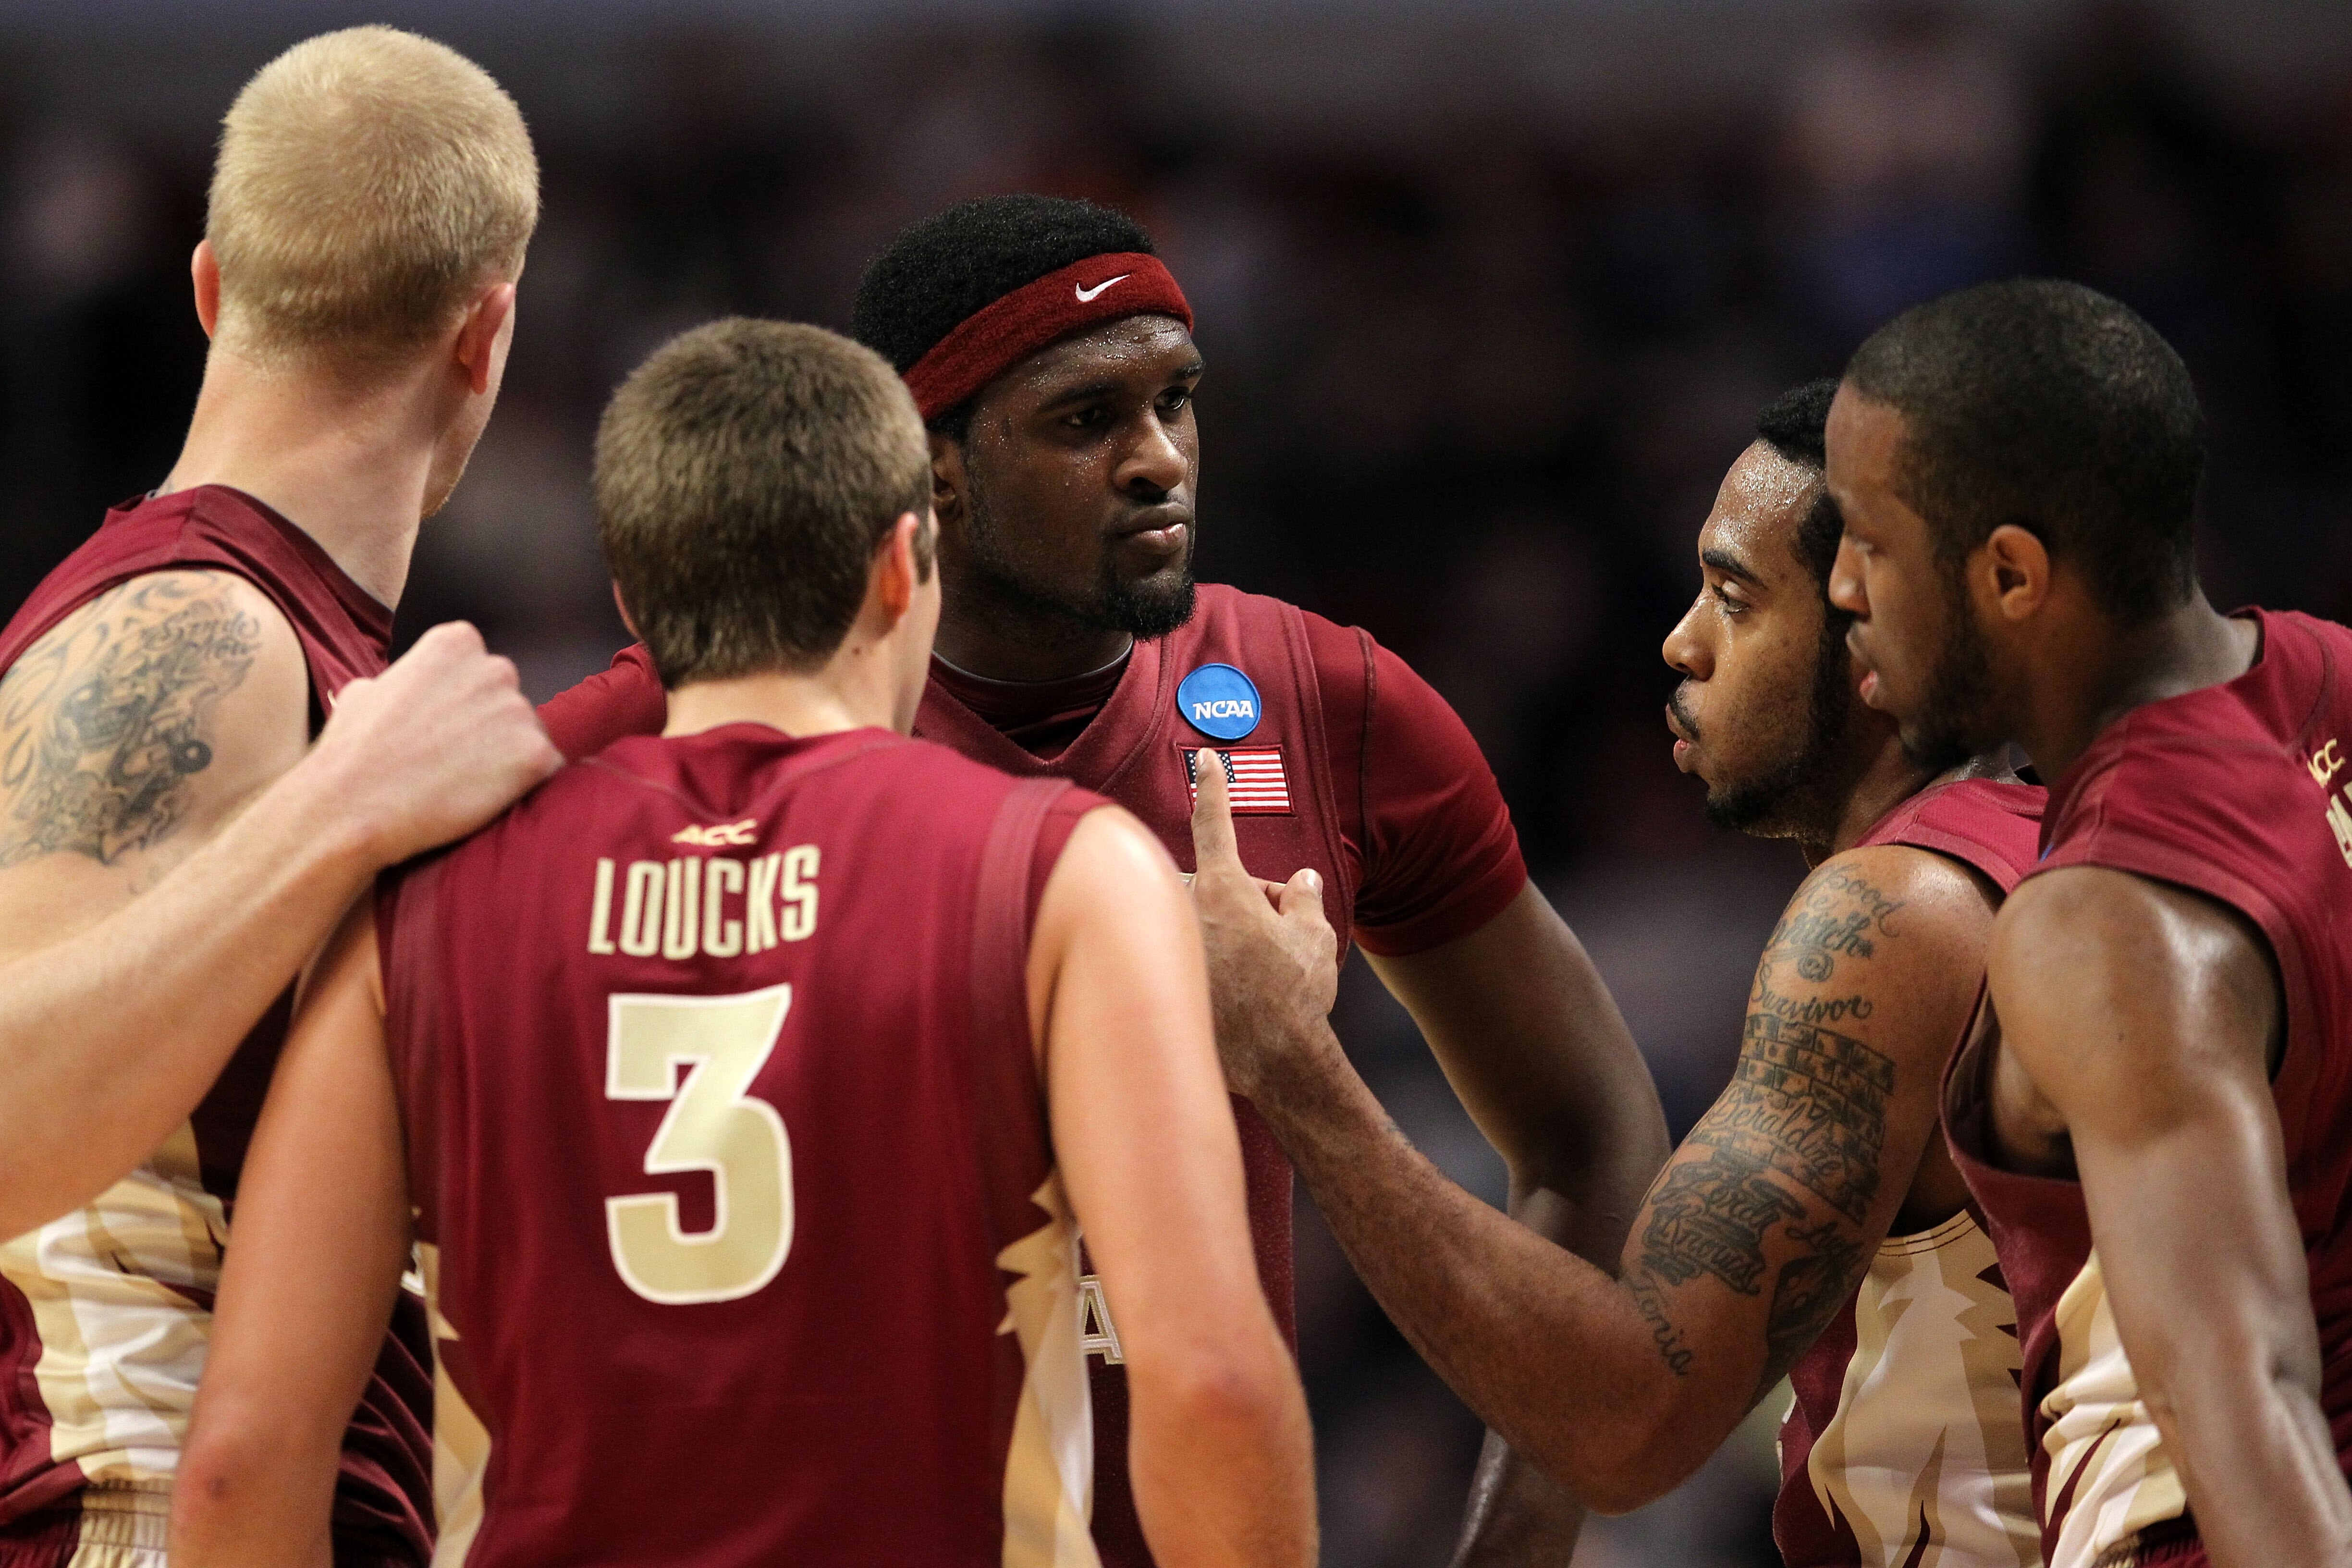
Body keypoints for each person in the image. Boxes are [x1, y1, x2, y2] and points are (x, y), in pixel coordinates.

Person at [539, 191, 1669, 1567]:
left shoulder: (1325, 699)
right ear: (932, 468)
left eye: (1177, 404)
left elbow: (1594, 1128)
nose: (1159, 462)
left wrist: (1516, 1542)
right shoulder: (707, 709)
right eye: (1087, 421)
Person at [170, 319, 1315, 1568]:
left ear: (634, 599)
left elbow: (240, 1464)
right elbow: (1215, 1393)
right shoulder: (1072, 871)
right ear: (902, 567)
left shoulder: (413, 906)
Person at [1186, 380, 2047, 1565]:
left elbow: (1629, 1424)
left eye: (1735, 599)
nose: (1681, 640)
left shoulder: (1899, 914)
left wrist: (1291, 1061)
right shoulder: (2049, 860)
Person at [0, 28, 554, 1567]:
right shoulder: (197, 627)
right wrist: (339, 813)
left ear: (209, 288)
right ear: (486, 333)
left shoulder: (288, 646)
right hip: (128, 1520)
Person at [1824, 278, 2352, 1568]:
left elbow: (2251, 1398)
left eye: (1868, 540)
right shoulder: (2337, 674)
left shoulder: (2105, 923)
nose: (1840, 586)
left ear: (2010, 573)